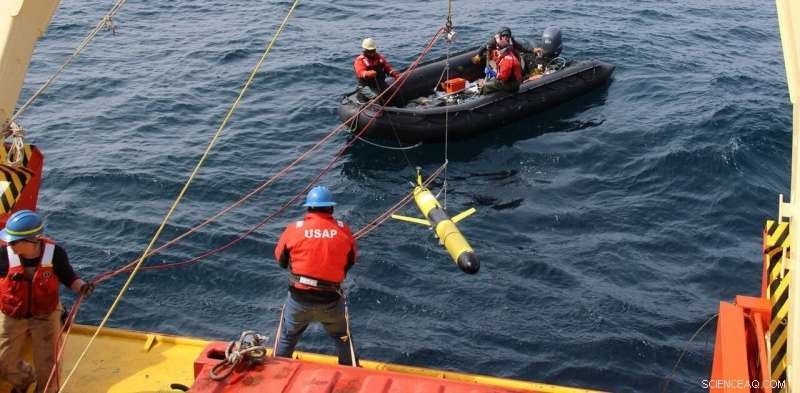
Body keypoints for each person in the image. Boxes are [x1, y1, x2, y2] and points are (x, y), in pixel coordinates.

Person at [0, 210, 94, 393]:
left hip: (45, 315)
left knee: (48, 365)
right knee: (3, 362)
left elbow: (69, 278)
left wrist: (82, 287)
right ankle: (24, 379)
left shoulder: (55, 254)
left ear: (32, 240)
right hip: (13, 314)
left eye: (13, 241)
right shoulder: (3, 255)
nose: (9, 244)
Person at [273, 186, 358, 366]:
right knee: (342, 338)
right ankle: (352, 373)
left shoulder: (294, 229)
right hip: (331, 300)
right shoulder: (343, 230)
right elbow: (350, 262)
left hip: (299, 299)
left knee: (288, 337)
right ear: (331, 209)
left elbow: (281, 261)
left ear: (309, 208)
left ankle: (277, 372)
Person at [353, 37, 400, 102]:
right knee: (377, 99)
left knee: (393, 92)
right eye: (369, 51)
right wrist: (367, 73)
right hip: (366, 86)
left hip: (380, 84)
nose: (372, 53)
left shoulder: (379, 58)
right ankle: (362, 98)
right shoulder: (360, 60)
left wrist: (394, 73)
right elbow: (360, 72)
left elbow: (387, 67)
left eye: (373, 50)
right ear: (365, 50)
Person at [471, 26, 542, 67]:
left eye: (507, 35)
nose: (505, 37)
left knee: (516, 54)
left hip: (507, 59)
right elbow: (483, 47)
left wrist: (532, 50)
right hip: (495, 60)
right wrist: (478, 55)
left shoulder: (511, 41)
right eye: (503, 35)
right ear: (500, 36)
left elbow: (521, 47)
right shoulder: (494, 41)